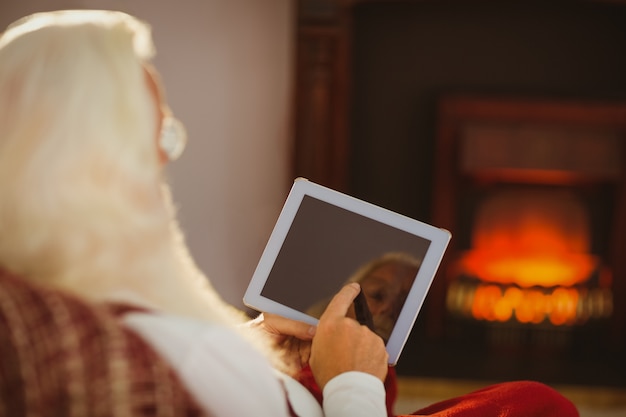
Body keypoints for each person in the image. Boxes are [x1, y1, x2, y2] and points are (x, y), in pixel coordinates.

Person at [0, 9, 579, 417]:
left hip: (281, 387)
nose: (163, 164)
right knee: (537, 404)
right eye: (161, 138)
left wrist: (249, 346)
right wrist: (351, 386)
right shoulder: (129, 353)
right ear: (101, 154)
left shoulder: (68, 301)